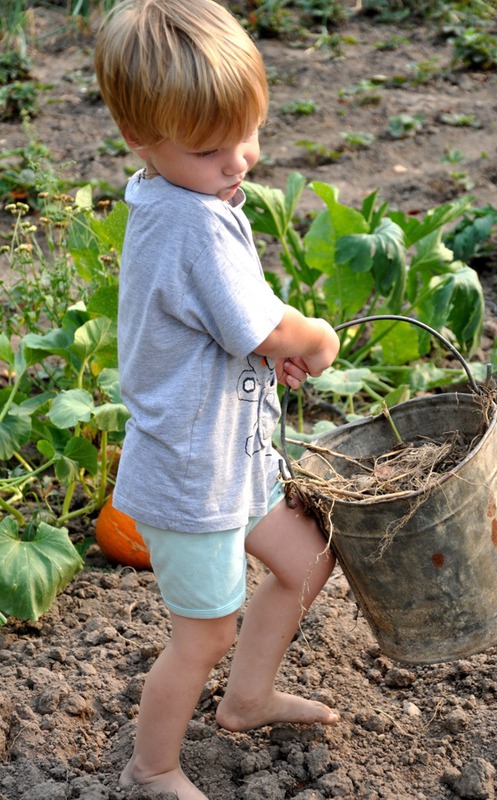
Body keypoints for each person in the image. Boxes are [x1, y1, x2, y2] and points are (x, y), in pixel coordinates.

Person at [94, 1, 341, 797]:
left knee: (308, 558)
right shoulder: (190, 223)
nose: (238, 161)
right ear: (140, 140)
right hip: (192, 479)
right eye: (209, 149)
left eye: (247, 135)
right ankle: (151, 768)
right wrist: (310, 340)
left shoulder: (182, 195)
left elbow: (220, 327)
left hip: (232, 460)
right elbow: (269, 324)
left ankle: (247, 700)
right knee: (202, 635)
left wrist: (261, 359)